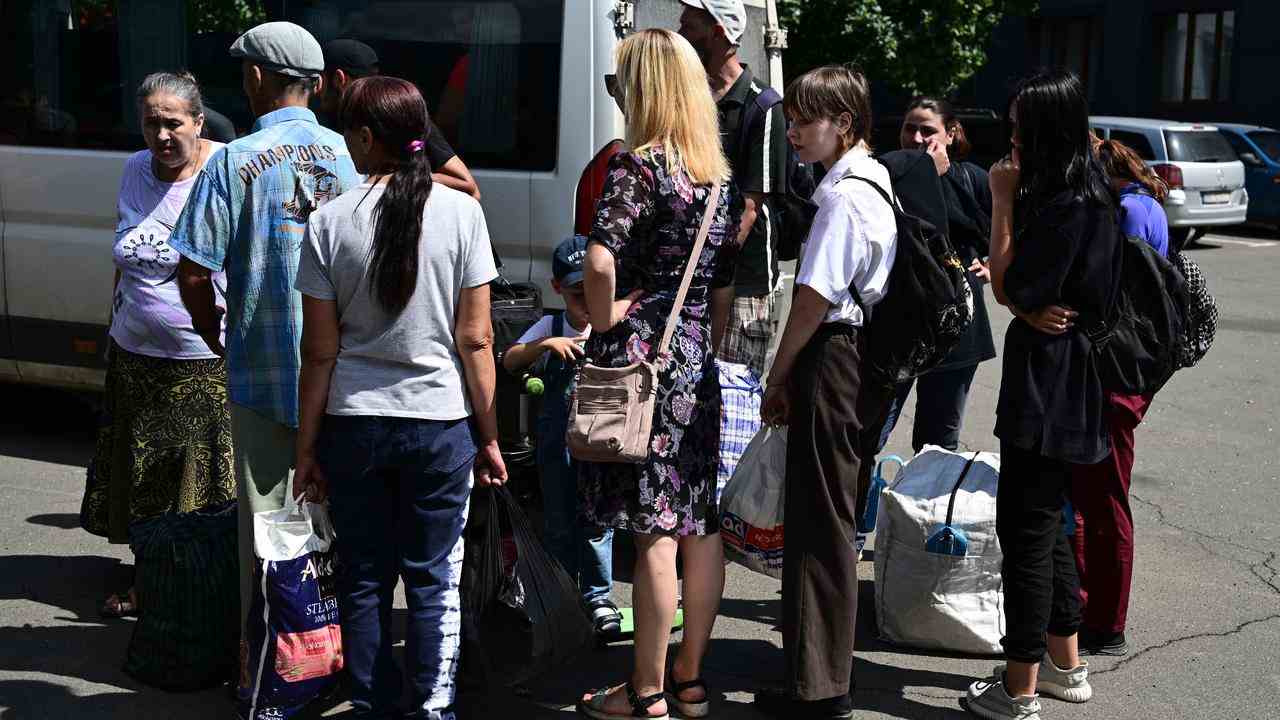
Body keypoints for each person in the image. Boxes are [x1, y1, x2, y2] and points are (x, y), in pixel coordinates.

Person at [291, 75, 504, 720]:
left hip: (354, 423)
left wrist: (306, 449)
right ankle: (433, 706)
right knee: (435, 576)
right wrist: (490, 435)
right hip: (440, 422)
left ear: (363, 137)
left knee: (363, 577)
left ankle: (371, 704)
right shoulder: (463, 214)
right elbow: (476, 340)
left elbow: (320, 352)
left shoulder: (330, 221)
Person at [169, 21, 361, 631]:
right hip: (346, 378)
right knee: (345, 527)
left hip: (262, 371)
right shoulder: (351, 155)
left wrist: (215, 338)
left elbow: (194, 273)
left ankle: (267, 660)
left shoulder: (232, 163)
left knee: (268, 532)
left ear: (257, 78)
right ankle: (339, 652)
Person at [576, 28, 743, 720]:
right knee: (698, 523)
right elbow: (724, 283)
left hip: (643, 363)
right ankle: (692, 681)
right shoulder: (715, 177)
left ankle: (643, 693)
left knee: (653, 533)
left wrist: (603, 318)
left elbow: (599, 260)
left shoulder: (637, 167)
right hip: (694, 364)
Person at [966, 70, 1121, 720]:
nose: (1011, 140)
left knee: (1024, 533)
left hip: (1049, 386)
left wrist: (1000, 200)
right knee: (1049, 526)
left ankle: (1018, 688)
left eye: (1019, 129)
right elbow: (1026, 296)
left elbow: (1009, 287)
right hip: (1072, 381)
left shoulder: (1066, 204)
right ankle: (1065, 664)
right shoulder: (1088, 192)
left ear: (1046, 131)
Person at [755, 65, 898, 720]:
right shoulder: (873, 180)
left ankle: (817, 690)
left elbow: (813, 298)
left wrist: (777, 373)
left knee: (820, 525)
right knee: (827, 518)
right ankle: (813, 677)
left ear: (844, 122)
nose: (792, 132)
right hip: (858, 361)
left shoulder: (845, 198)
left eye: (803, 120)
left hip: (834, 358)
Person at [80, 71, 234, 619]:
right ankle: (150, 580)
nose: (162, 135)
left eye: (173, 123)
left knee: (189, 488)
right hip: (133, 355)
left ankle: (187, 590)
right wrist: (111, 324)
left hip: (199, 361)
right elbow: (124, 259)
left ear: (198, 121)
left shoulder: (225, 170)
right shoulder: (132, 170)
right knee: (140, 480)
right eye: (151, 123)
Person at [1064, 138, 1170, 658]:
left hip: (1116, 373)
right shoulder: (1150, 205)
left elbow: (1116, 290)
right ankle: (1091, 612)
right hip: (1134, 369)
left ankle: (1102, 620)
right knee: (1102, 496)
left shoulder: (1127, 210)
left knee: (1103, 500)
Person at [502, 235, 620, 639]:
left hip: (600, 446)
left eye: (593, 290)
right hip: (555, 445)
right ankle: (562, 591)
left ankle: (598, 596)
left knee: (597, 521)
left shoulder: (609, 325)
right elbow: (509, 359)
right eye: (576, 293)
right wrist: (544, 345)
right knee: (557, 519)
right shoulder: (551, 324)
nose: (586, 302)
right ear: (558, 289)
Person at [877, 97, 997, 454]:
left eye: (927, 130)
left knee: (938, 445)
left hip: (957, 327)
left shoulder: (970, 178)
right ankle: (863, 510)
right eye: (909, 127)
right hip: (899, 323)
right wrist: (922, 172)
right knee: (871, 431)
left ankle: (924, 509)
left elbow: (1003, 229)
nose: (915, 137)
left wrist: (993, 266)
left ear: (951, 133)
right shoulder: (888, 172)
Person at [678, 0, 789, 381]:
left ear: (718, 32)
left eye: (689, 26)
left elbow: (750, 207)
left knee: (732, 394)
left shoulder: (764, 105)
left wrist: (708, 263)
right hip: (694, 274)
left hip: (744, 281)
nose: (681, 35)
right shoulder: (689, 99)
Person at [316, 38, 482, 200]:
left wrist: (407, 179)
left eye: (321, 79)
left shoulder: (400, 115)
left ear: (339, 79)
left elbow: (468, 186)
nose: (317, 89)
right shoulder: (321, 122)